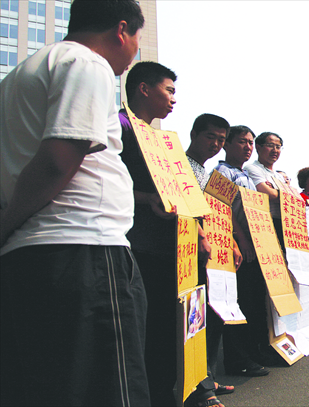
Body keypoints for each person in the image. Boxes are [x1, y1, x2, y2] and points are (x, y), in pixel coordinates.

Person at [0, 1, 150, 405]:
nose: (135, 49)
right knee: (110, 392)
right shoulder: (86, 62)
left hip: (33, 258)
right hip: (85, 253)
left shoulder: (20, 75)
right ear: (122, 30)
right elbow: (57, 160)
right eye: (138, 37)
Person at [120, 60, 188, 407]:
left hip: (169, 248)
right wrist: (146, 198)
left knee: (165, 329)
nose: (174, 99)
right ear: (144, 89)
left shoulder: (162, 142)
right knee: (142, 330)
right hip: (135, 246)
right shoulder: (118, 127)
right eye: (169, 90)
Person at [185, 113, 239, 401]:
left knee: (212, 316)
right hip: (190, 254)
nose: (216, 144)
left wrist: (231, 242)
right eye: (210, 137)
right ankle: (197, 387)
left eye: (220, 139)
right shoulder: (180, 166)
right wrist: (201, 236)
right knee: (193, 320)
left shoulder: (207, 174)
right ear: (193, 134)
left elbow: (218, 214)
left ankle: (207, 378)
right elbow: (184, 208)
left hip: (215, 255)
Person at [214, 125, 275, 376]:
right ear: (226, 144)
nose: (248, 147)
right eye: (242, 142)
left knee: (254, 302)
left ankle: (256, 351)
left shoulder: (246, 175)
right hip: (238, 249)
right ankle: (238, 359)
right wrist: (240, 241)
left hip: (257, 246)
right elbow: (221, 210)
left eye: (250, 142)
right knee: (238, 304)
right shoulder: (221, 172)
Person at [244, 132, 287, 243]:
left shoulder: (279, 176)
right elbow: (270, 194)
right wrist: (280, 192)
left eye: (278, 147)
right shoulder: (252, 168)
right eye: (270, 146)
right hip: (263, 223)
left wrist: (275, 191)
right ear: (258, 148)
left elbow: (291, 199)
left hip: (283, 225)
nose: (275, 150)